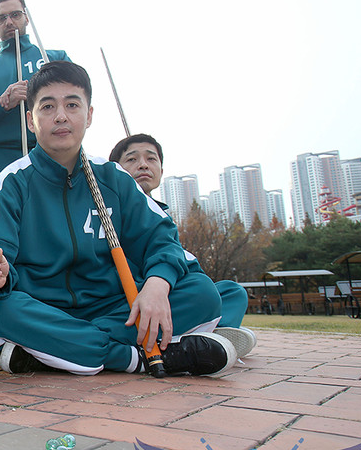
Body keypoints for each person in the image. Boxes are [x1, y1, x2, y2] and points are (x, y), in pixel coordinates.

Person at [0, 61, 237, 377]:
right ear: (30, 120)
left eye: (72, 104)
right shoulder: (10, 182)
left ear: (89, 115)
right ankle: (135, 359)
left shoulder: (114, 178)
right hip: (42, 309)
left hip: (115, 308)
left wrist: (157, 285)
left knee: (202, 292)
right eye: (48, 106)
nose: (61, 116)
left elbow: (162, 239)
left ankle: (55, 352)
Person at [109, 133, 256, 357]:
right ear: (114, 170)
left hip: (165, 289)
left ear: (161, 170)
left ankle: (209, 334)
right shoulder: (111, 211)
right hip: (133, 294)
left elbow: (177, 260)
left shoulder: (162, 216)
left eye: (151, 159)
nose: (143, 165)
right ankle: (200, 336)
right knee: (202, 294)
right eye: (131, 159)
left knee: (232, 291)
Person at [0, 0, 70, 195]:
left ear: (26, 17)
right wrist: (2, 103)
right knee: (1, 220)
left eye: (15, 14)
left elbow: (78, 98)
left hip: (51, 150)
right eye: (1, 18)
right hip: (0, 155)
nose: (9, 22)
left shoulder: (54, 58)